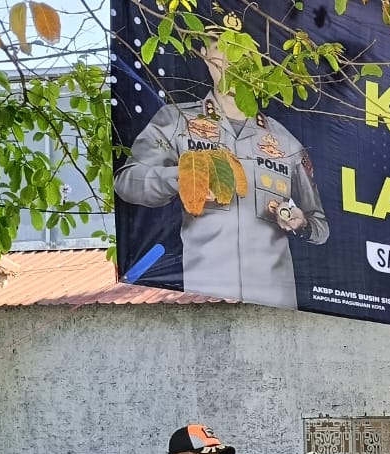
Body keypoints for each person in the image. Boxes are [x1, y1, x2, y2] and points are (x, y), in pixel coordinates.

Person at [114, 36, 328, 308]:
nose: (232, 62)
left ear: (258, 64)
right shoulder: (176, 120)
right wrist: (183, 179)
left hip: (277, 308)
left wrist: (302, 223)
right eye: (222, 50)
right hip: (205, 300)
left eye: (243, 54)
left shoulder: (286, 141)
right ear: (204, 55)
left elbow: (320, 226)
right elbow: (127, 181)